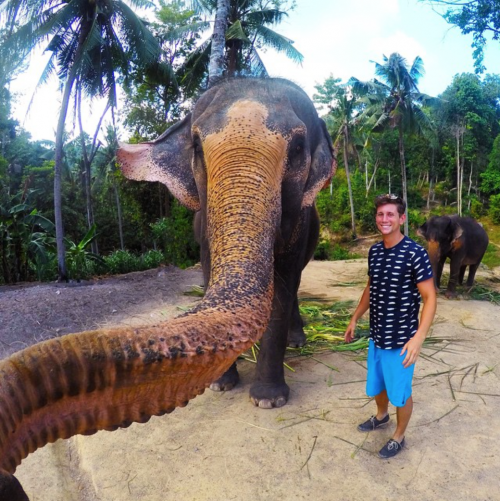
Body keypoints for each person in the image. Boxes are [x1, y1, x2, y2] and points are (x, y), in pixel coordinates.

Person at [344, 194, 437, 459]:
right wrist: (355, 317)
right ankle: (382, 416)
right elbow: (371, 287)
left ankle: (399, 436)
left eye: (390, 215)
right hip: (377, 336)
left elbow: (430, 298)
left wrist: (418, 338)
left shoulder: (415, 253)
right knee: (380, 385)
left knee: (401, 393)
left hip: (402, 342)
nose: (384, 219)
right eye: (380, 214)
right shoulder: (374, 252)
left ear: (401, 218)